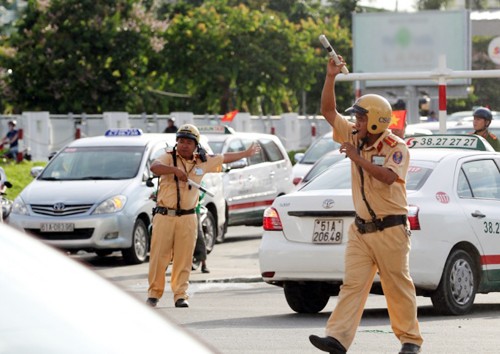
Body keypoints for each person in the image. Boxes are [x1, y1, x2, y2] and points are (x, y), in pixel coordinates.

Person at [309, 56, 423, 354]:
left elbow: (387, 177)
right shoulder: (352, 136)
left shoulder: (395, 148)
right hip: (361, 230)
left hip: (391, 229)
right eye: (356, 118)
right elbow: (327, 110)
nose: (355, 123)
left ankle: (410, 341)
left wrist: (357, 158)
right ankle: (337, 338)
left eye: (360, 118)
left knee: (397, 287)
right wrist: (330, 76)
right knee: (352, 286)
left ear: (374, 120)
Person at [147, 124, 259, 308]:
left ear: (196, 145)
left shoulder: (202, 161)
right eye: (180, 141)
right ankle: (154, 294)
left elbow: (224, 158)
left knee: (185, 258)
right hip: (165, 215)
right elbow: (155, 167)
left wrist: (245, 153)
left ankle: (180, 295)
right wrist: (174, 171)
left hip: (189, 217)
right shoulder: (168, 157)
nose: (183, 145)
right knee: (159, 257)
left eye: (188, 142)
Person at [193, 192, 210, 274]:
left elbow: (201, 192)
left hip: (193, 211)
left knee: (198, 235)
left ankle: (204, 263)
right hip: (176, 212)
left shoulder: (196, 180)